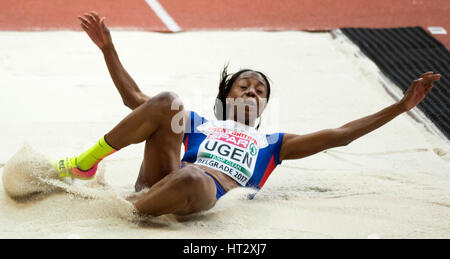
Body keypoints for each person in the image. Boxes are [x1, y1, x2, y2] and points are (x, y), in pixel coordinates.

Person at [56, 11, 441, 217]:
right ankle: (86, 164)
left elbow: (342, 134)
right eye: (244, 86)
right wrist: (108, 49)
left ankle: (121, 213)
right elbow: (136, 101)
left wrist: (400, 106)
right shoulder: (200, 124)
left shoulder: (275, 144)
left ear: (264, 106)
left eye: (260, 90)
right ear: (226, 96)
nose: (252, 91)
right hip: (162, 177)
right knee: (167, 100)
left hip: (203, 191)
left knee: (192, 176)